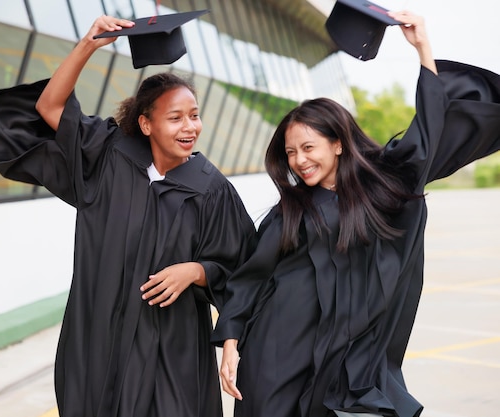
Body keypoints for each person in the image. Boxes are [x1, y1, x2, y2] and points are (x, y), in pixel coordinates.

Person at [211, 10, 500, 417]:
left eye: (309, 148)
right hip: (278, 347)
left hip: (345, 357)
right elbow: (252, 275)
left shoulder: (380, 189)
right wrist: (231, 344)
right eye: (291, 152)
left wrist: (422, 49)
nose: (298, 161)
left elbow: (427, 135)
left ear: (339, 144)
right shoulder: (292, 208)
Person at [0, 15, 257, 417]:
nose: (190, 126)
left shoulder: (212, 190)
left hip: (172, 351)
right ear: (145, 123)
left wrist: (195, 270)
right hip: (100, 339)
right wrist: (88, 44)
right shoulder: (108, 157)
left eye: (194, 115)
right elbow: (49, 106)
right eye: (175, 118)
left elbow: (244, 266)